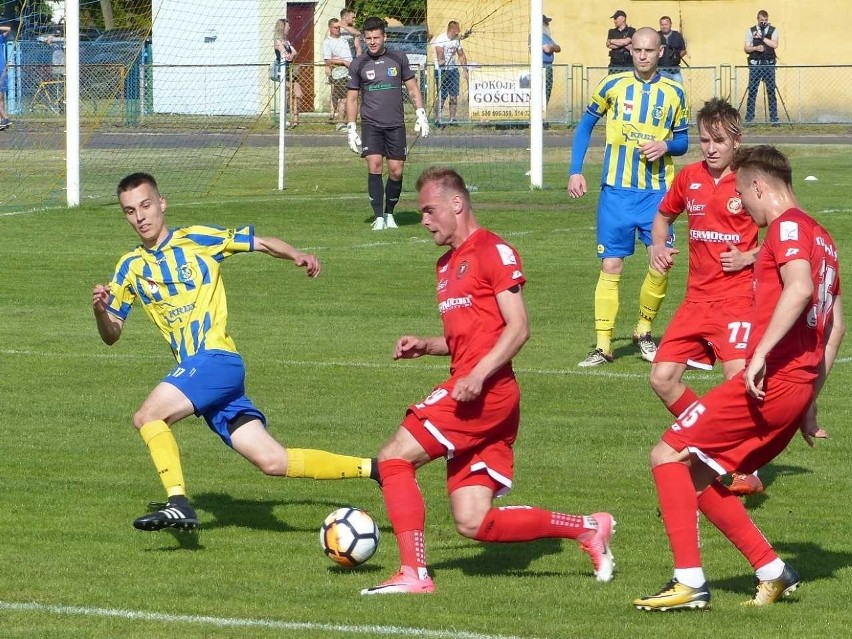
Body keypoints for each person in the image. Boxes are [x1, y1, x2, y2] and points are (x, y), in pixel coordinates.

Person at [361, 167, 616, 595]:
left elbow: (518, 328)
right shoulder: (445, 265)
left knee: (393, 459)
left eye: (429, 210)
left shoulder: (494, 251)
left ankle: (414, 574)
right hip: (477, 390)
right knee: (473, 521)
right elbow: (472, 335)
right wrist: (427, 343)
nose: (424, 220)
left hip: (486, 393)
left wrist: (478, 375)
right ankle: (588, 528)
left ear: (456, 204)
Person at [92, 173, 377, 532]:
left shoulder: (198, 238)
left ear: (162, 204)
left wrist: (297, 254)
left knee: (148, 417)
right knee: (273, 460)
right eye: (130, 211)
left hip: (215, 360)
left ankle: (178, 502)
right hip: (206, 379)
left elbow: (259, 243)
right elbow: (112, 335)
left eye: (146, 206)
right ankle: (376, 468)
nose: (140, 217)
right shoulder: (129, 267)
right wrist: (101, 311)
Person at [634, 145, 845, 611]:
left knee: (667, 454)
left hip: (772, 383)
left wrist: (760, 355)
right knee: (701, 475)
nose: (743, 209)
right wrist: (811, 404)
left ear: (758, 186)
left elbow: (800, 289)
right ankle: (773, 570)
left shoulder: (788, 227)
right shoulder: (823, 237)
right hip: (794, 390)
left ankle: (689, 583)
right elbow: (836, 327)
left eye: (743, 197)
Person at [648, 98, 767, 496]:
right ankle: (710, 441)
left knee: (738, 385)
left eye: (718, 140)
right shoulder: (688, 178)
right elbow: (664, 216)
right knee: (662, 378)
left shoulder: (752, 180)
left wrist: (748, 256)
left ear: (737, 140)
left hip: (736, 301)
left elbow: (783, 236)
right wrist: (658, 248)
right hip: (695, 301)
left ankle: (744, 467)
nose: (710, 148)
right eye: (704, 140)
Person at [568, 27, 689, 367]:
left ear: (661, 52)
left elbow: (683, 141)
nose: (643, 56)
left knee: (661, 262)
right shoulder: (612, 86)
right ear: (631, 51)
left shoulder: (675, 93)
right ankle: (603, 346)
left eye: (649, 50)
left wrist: (665, 145)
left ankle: (644, 331)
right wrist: (576, 170)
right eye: (637, 50)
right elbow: (584, 126)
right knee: (611, 264)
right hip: (616, 192)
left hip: (657, 195)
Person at [346, 16, 429, 231]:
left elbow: (412, 88)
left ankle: (389, 213)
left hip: (395, 124)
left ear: (385, 37)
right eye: (368, 38)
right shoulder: (358, 63)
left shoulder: (398, 58)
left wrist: (421, 113)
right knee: (374, 165)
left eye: (376, 37)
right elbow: (352, 98)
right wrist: (351, 128)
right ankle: (378, 217)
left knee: (396, 171)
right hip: (371, 124)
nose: (372, 42)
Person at [743, 10, 779, 124]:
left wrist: (763, 38)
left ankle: (774, 118)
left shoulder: (773, 30)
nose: (764, 22)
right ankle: (749, 118)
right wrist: (756, 48)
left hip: (769, 64)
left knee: (771, 91)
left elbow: (775, 44)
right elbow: (746, 48)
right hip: (756, 65)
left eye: (765, 20)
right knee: (752, 91)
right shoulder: (751, 31)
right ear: (757, 19)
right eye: (761, 20)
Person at [431, 21, 468, 124]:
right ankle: (437, 119)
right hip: (441, 70)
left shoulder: (457, 40)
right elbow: (440, 52)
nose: (459, 31)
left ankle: (452, 119)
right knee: (442, 96)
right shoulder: (441, 39)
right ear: (452, 29)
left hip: (453, 70)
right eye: (457, 30)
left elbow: (461, 55)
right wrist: (441, 60)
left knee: (453, 95)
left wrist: (465, 70)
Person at [323, 18, 353, 131]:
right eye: (335, 27)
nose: (338, 29)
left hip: (350, 71)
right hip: (339, 72)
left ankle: (346, 121)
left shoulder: (344, 39)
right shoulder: (327, 42)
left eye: (338, 27)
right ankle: (340, 123)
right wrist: (343, 62)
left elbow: (357, 33)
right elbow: (327, 60)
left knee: (349, 98)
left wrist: (344, 25)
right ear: (330, 28)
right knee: (343, 98)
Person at [273, 18, 302, 128]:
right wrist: (288, 55)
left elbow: (294, 52)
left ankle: (296, 119)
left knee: (298, 93)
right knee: (286, 95)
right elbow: (284, 54)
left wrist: (291, 55)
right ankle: (283, 119)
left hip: (291, 71)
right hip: (283, 71)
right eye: (287, 26)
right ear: (282, 27)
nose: (289, 28)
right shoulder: (278, 41)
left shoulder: (287, 41)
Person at [658, 16, 686, 85]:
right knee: (663, 89)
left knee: (679, 88)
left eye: (666, 24)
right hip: (661, 70)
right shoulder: (656, 35)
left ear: (670, 24)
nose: (664, 26)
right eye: (662, 25)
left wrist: (677, 55)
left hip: (675, 70)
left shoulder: (677, 35)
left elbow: (683, 50)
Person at [541, 15, 562, 107]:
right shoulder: (537, 36)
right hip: (542, 66)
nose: (548, 25)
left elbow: (558, 48)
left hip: (549, 67)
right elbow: (547, 49)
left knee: (547, 91)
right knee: (541, 91)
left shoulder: (547, 37)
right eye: (546, 23)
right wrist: (552, 47)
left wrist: (552, 47)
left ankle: (543, 112)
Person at [0, 23, 12, 130]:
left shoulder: (0, 39)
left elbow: (8, 29)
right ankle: (3, 120)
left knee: (1, 98)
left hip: (1, 71)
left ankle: (5, 118)